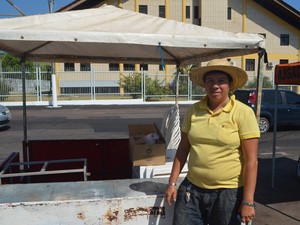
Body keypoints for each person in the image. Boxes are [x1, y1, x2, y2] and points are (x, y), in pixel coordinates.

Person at [165, 58, 260, 225]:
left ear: (230, 85)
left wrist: (248, 201)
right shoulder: (194, 111)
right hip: (192, 190)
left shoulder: (242, 112)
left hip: (228, 194)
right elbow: (183, 148)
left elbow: (251, 161)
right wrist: (172, 182)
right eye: (210, 81)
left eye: (221, 81)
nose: (215, 85)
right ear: (204, 85)